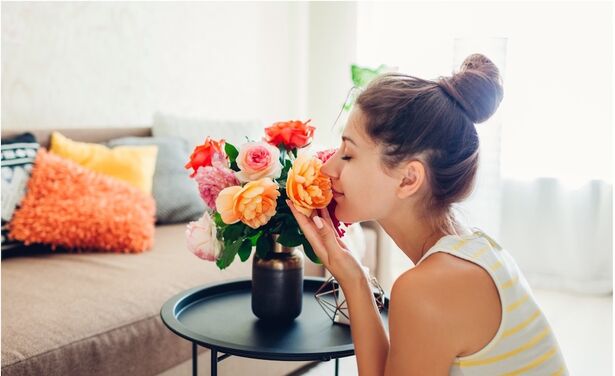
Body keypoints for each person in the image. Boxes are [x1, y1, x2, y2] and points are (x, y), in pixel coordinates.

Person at [287, 54, 569, 375]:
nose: (327, 167)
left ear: (409, 179)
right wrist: (353, 276)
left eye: (348, 155)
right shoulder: (474, 247)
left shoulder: (429, 289)